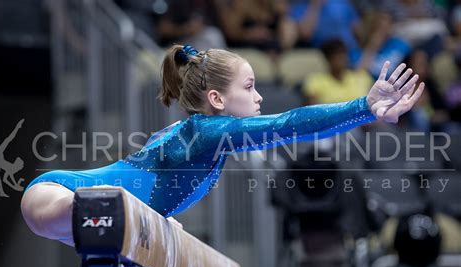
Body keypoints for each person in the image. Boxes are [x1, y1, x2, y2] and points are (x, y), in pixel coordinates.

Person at [21, 44, 424, 247]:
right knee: (115, 217)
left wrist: (154, 218)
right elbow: (289, 123)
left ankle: (129, 217)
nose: (259, 97)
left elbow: (152, 174)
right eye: (249, 88)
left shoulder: (200, 137)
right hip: (59, 196)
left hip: (82, 205)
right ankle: (123, 215)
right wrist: (363, 107)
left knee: (134, 229)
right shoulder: (212, 132)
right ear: (217, 100)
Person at [303, 38, 374, 105]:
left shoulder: (362, 77)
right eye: (336, 56)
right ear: (328, 59)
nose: (341, 59)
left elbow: (375, 103)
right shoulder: (315, 81)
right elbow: (313, 112)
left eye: (343, 54)